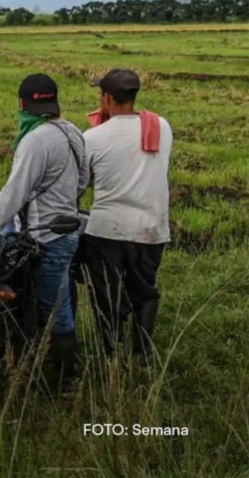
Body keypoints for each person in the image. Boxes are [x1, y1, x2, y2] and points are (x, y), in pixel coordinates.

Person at [0, 73, 89, 389]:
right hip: (66, 230)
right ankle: (25, 357)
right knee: (32, 298)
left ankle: (67, 379)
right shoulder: (72, 132)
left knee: (56, 307)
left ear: (21, 105)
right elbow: (83, 180)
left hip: (46, 238)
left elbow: (14, 193)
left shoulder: (35, 140)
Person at [82, 69, 172, 365]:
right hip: (151, 227)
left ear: (107, 98)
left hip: (106, 228)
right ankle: (142, 353)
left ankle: (111, 354)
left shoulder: (92, 137)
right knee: (144, 290)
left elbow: (83, 182)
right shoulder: (160, 126)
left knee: (106, 294)